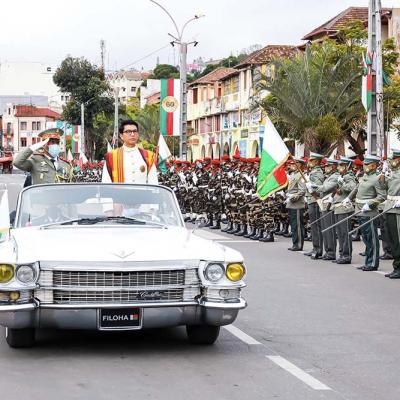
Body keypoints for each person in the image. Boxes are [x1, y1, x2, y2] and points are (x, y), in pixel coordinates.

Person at [346, 155, 386, 271]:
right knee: (366, 239)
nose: (365, 166)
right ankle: (368, 261)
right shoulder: (365, 176)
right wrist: (348, 198)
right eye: (365, 164)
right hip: (359, 210)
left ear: (373, 165)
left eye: (367, 164)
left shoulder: (377, 178)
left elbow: (382, 196)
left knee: (371, 238)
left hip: (369, 212)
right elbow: (356, 188)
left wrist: (370, 204)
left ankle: (373, 263)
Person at [102, 120, 158, 184]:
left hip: (142, 193)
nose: (132, 134)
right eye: (128, 131)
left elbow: (153, 182)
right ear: (121, 136)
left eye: (135, 131)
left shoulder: (148, 156)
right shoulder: (111, 156)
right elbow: (106, 182)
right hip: (119, 193)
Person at [332, 157, 357, 264]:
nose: (339, 168)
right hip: (338, 207)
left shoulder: (348, 176)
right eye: (339, 165)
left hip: (344, 208)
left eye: (341, 166)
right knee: (340, 233)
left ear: (347, 166)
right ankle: (342, 254)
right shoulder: (341, 177)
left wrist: (342, 185)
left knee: (345, 233)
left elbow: (353, 187)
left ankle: (346, 255)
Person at [380, 149, 400, 278]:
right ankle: (396, 266)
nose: (392, 161)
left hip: (398, 209)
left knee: (398, 240)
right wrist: (383, 172)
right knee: (392, 239)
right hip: (390, 208)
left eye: (394, 158)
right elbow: (382, 186)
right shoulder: (393, 173)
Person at [304, 152, 325, 259]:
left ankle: (319, 249)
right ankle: (315, 247)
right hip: (311, 199)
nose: (309, 162)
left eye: (311, 160)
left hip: (315, 200)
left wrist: (312, 187)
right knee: (313, 225)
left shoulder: (318, 173)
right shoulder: (313, 172)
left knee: (316, 225)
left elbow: (319, 187)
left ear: (316, 162)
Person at [285, 158, 306, 251]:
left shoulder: (300, 175)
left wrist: (292, 197)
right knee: (293, 225)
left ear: (300, 165)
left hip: (297, 204)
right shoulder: (294, 175)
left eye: (295, 163)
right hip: (291, 204)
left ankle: (298, 244)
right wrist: (288, 195)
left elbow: (302, 191)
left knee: (297, 225)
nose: (293, 165)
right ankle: (295, 243)